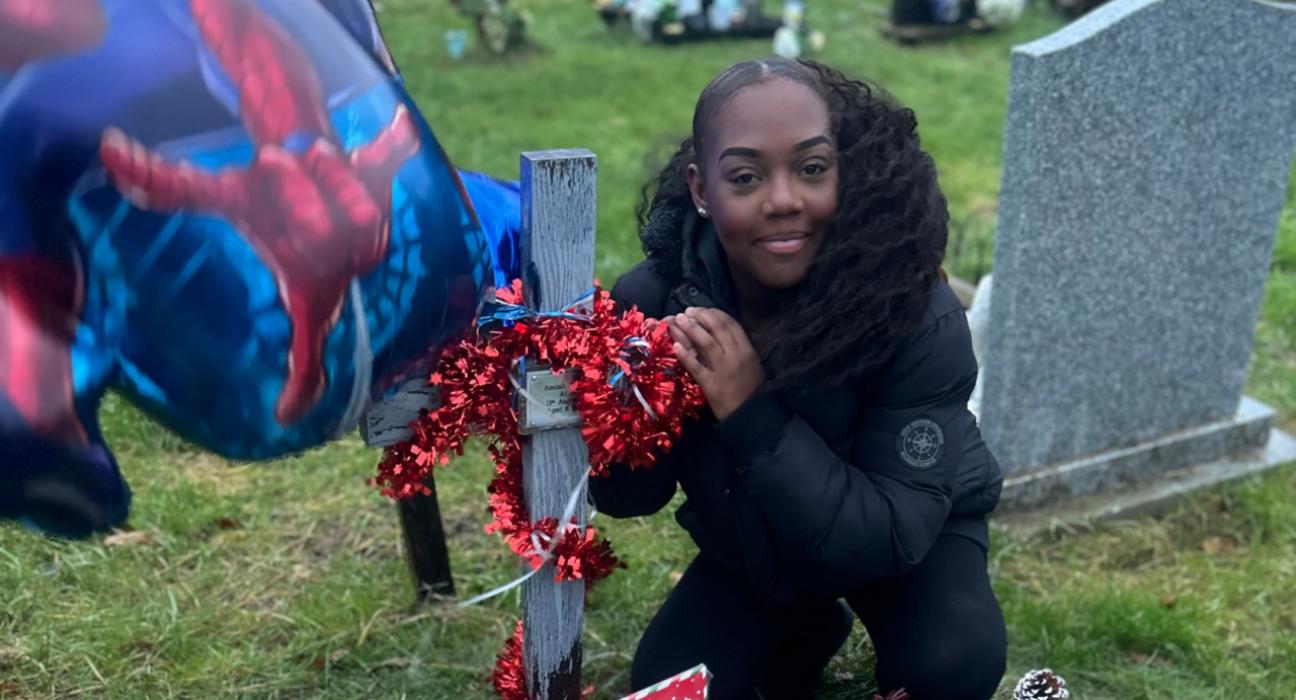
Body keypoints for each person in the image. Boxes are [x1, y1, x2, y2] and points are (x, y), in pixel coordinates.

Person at [588, 57, 1006, 699]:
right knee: (674, 689)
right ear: (701, 190)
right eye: (746, 176)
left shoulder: (913, 313)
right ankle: (806, 625)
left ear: (844, 171)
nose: (783, 200)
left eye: (812, 169)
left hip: (909, 539)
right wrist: (613, 406)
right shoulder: (657, 301)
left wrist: (750, 410)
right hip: (754, 545)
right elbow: (629, 498)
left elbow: (891, 536)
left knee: (952, 664)